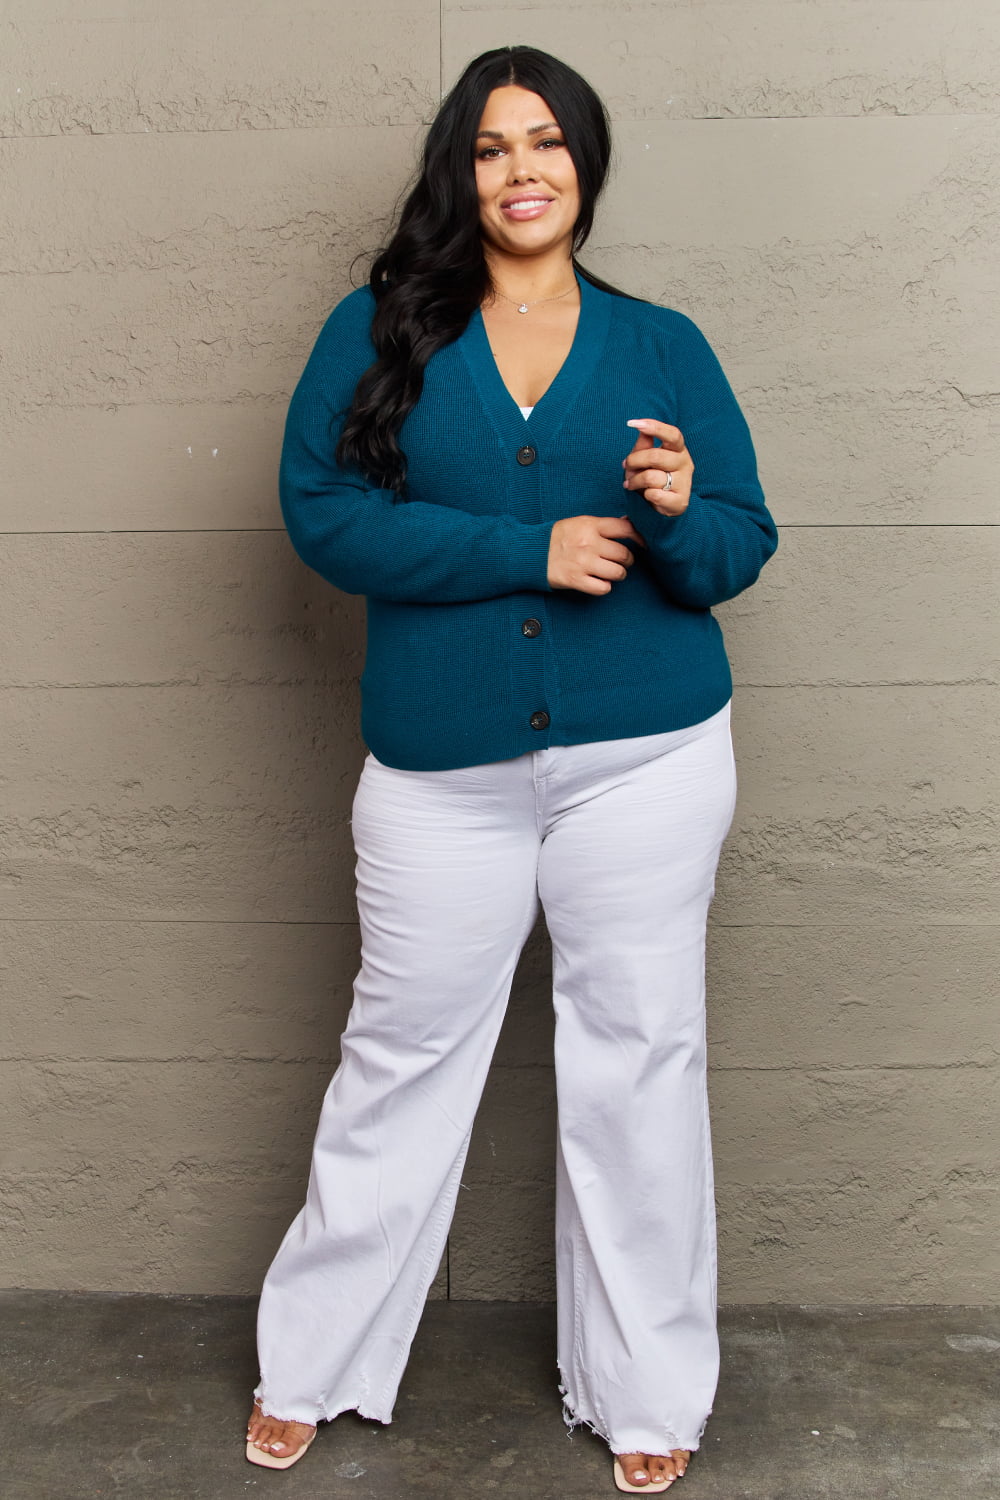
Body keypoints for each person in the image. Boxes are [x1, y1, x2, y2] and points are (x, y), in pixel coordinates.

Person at [245, 44, 777, 1494]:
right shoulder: (381, 331)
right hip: (441, 770)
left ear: (586, 166)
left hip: (648, 759)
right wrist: (519, 550)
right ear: (458, 173)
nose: (522, 169)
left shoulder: (662, 340)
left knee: (640, 1062)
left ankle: (650, 1388)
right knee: (400, 1055)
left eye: (547, 143)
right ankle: (315, 1359)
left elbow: (738, 544)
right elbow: (319, 517)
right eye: (491, 148)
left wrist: (676, 511)